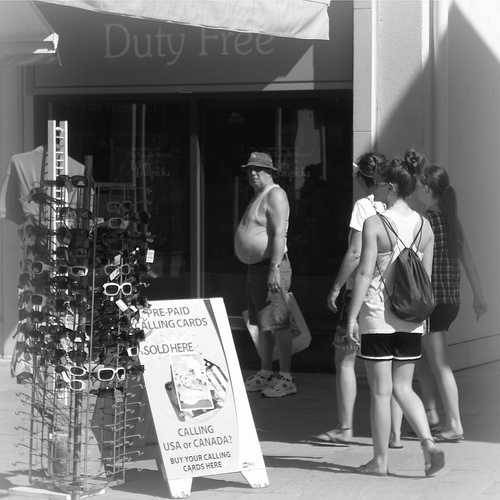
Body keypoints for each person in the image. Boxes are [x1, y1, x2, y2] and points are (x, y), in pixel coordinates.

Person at [346, 151, 445, 477]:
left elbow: (364, 273)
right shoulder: (425, 226)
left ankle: (380, 461)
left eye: (377, 184)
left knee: (380, 391)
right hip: (412, 319)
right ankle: (428, 443)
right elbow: (425, 280)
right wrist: (423, 320)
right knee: (404, 388)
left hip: (378, 316)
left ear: (390, 187)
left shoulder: (374, 223)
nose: (374, 188)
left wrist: (351, 316)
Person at [312, 152, 402, 445]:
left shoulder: (364, 206)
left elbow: (354, 253)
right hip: (394, 295)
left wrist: (336, 287)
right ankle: (394, 434)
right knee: (391, 367)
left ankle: (345, 427)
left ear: (361, 178)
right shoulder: (401, 207)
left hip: (361, 293)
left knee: (345, 359)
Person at [414, 165, 488, 442]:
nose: (416, 189)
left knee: (439, 363)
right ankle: (431, 415)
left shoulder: (426, 221)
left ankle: (454, 424)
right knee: (423, 358)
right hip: (449, 301)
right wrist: (479, 297)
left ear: (427, 188)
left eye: (419, 185)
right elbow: (468, 261)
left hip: (431, 302)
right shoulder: (451, 220)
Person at [234, 152, 296, 398]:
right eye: (249, 170)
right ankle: (266, 371)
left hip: (270, 267)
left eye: (258, 169)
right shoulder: (258, 195)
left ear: (270, 172)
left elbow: (280, 234)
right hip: (256, 269)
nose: (252, 173)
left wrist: (274, 269)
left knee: (278, 323)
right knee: (264, 324)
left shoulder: (275, 194)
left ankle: (286, 377)